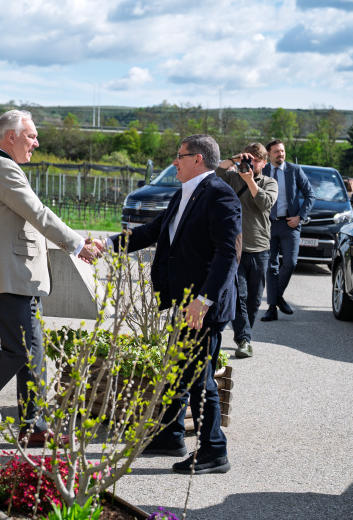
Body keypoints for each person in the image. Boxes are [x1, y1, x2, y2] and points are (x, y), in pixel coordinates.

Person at [92, 134, 241, 475]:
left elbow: (227, 254)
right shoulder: (183, 194)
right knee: (177, 371)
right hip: (184, 301)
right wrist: (106, 244)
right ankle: (170, 435)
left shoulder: (221, 195)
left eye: (180, 156)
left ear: (198, 159)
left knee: (199, 379)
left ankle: (214, 451)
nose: (175, 161)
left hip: (203, 306)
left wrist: (203, 300)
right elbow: (152, 231)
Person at [0, 110, 99, 450]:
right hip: (7, 278)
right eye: (31, 136)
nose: (36, 143)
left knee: (34, 354)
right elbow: (37, 212)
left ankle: (34, 426)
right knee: (19, 351)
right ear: (11, 137)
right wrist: (77, 244)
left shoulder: (2, 167)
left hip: (18, 279)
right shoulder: (1, 168)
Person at [216, 143, 278, 358]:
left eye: (255, 161)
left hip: (260, 248)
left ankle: (244, 333)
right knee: (239, 295)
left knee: (253, 300)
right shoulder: (233, 177)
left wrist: (250, 180)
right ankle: (244, 339)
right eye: (248, 160)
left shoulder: (270, 182)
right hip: (236, 247)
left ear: (263, 163)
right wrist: (233, 160)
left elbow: (265, 203)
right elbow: (215, 173)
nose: (250, 164)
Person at [260, 140, 315, 322]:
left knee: (290, 263)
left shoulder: (295, 170)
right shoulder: (263, 171)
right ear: (269, 154)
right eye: (276, 152)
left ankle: (275, 298)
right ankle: (272, 308)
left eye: (282, 151)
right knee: (271, 266)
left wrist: (300, 216)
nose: (280, 154)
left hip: (290, 224)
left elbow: (310, 195)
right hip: (268, 225)